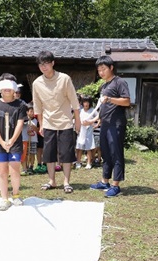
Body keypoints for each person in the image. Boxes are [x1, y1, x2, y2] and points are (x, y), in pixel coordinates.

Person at [32, 50, 81, 193]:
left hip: (65, 121)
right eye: (41, 65)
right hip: (47, 122)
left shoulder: (64, 78)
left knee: (66, 153)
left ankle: (66, 182)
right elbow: (37, 105)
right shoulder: (37, 83)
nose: (44, 67)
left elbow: (74, 100)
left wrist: (77, 119)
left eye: (46, 63)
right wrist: (40, 124)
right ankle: (52, 181)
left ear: (53, 63)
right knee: (49, 153)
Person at [87, 55, 131, 197]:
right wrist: (96, 120)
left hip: (116, 124)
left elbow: (126, 101)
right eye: (99, 70)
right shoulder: (104, 85)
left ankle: (116, 184)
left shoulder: (120, 82)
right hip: (105, 123)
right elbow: (103, 107)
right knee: (105, 153)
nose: (101, 72)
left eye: (103, 69)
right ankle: (104, 181)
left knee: (116, 153)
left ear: (111, 68)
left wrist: (110, 99)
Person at [0, 73, 26, 211]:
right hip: (0, 144)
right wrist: (2, 142)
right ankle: (4, 198)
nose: (7, 90)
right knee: (2, 171)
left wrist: (11, 140)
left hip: (15, 144)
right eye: (4, 86)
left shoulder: (21, 105)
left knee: (14, 170)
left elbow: (20, 124)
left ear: (14, 88)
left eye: (9, 86)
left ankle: (16, 195)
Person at [75, 95, 96, 169]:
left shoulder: (93, 110)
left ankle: (89, 163)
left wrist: (93, 124)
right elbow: (77, 119)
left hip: (89, 131)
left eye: (87, 102)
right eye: (84, 102)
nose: (86, 104)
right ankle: (78, 162)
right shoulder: (80, 110)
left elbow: (99, 118)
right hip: (81, 131)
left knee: (88, 148)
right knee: (79, 147)